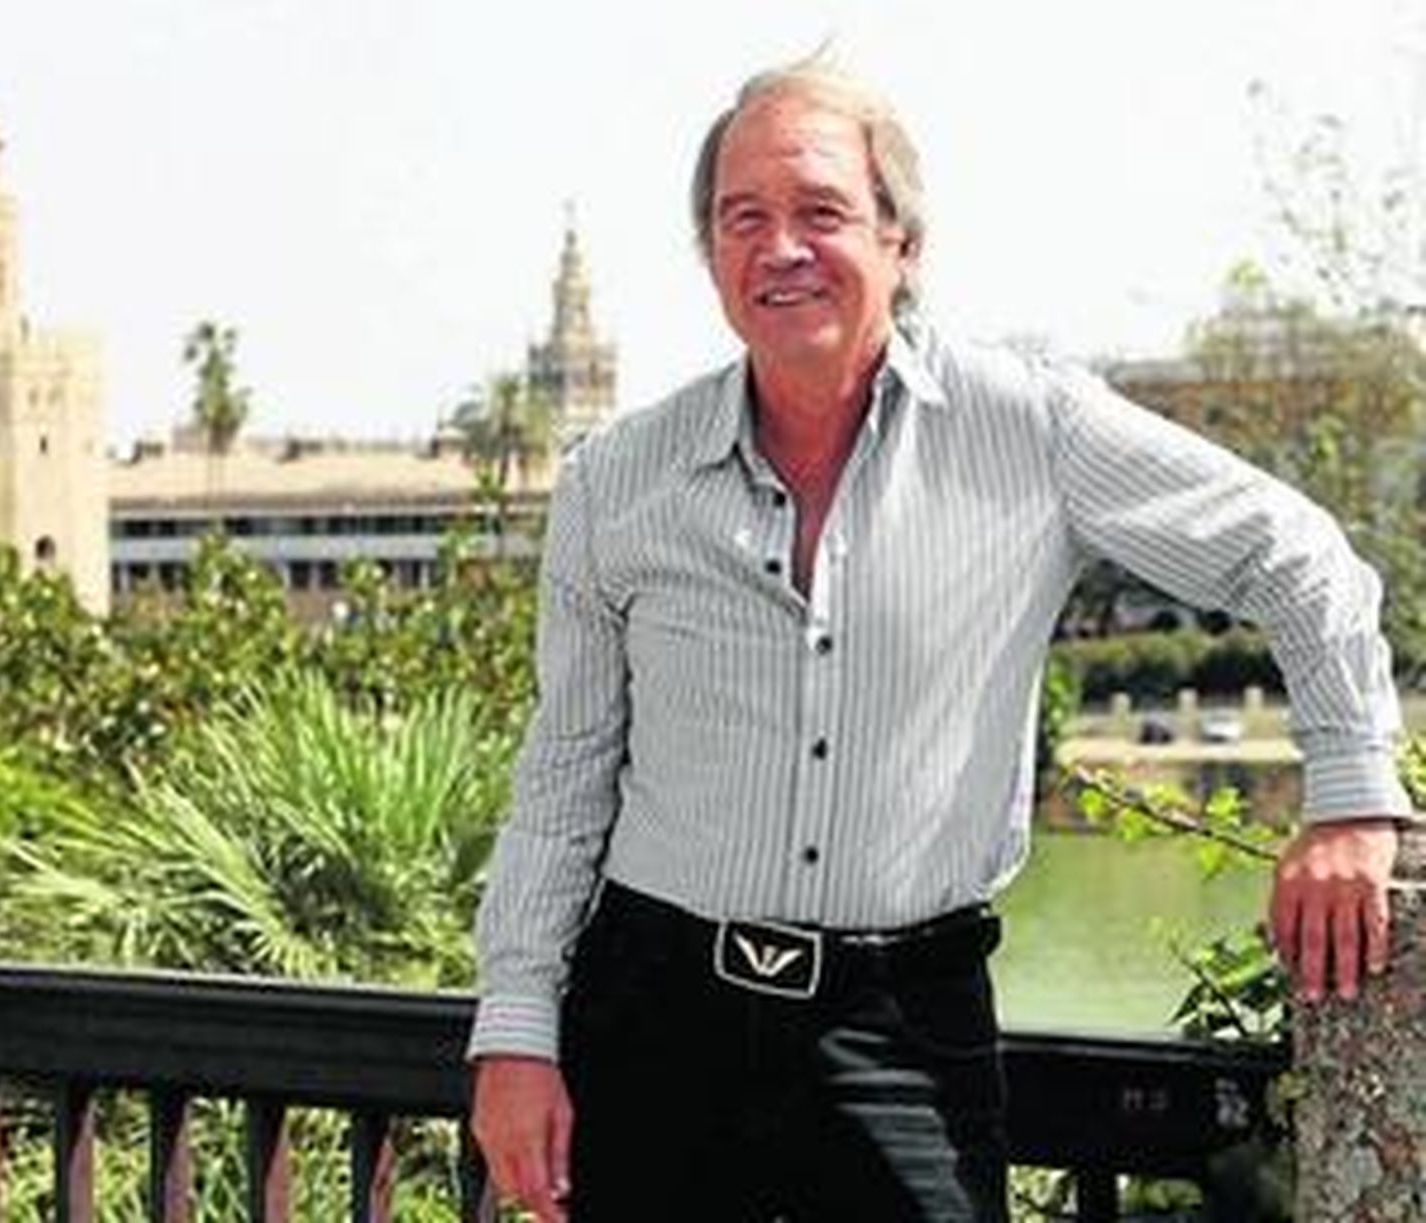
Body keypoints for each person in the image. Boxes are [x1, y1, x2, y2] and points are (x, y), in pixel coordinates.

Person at [468, 57, 1411, 1222]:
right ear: (710, 252)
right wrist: (514, 1032)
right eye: (740, 218)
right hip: (653, 1013)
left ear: (902, 241)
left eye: (820, 212)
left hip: (902, 1022)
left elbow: (1297, 552)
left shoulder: (1031, 429)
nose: (779, 248)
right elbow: (563, 776)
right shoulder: (615, 480)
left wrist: (1351, 797)